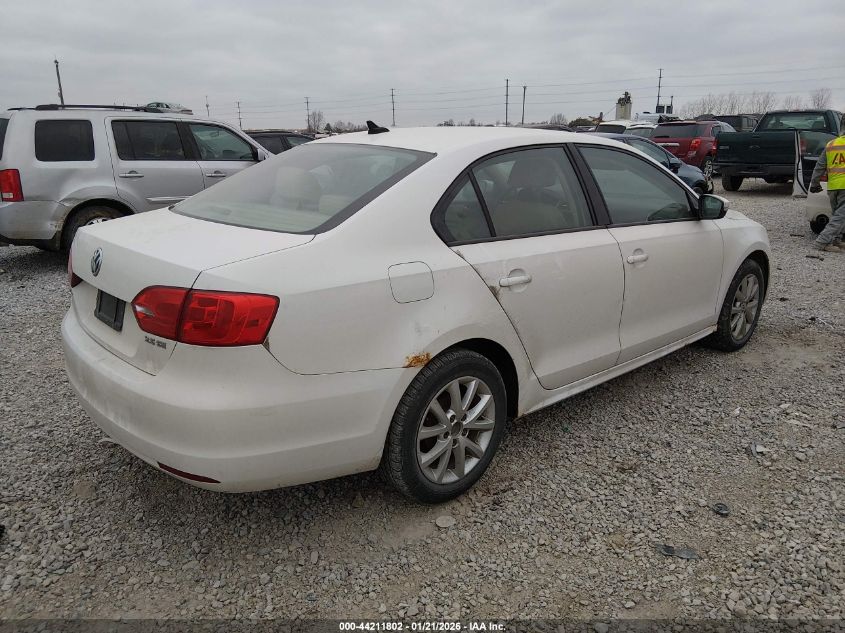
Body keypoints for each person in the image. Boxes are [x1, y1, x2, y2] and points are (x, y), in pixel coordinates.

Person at [810, 131, 845, 252]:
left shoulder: (831, 144)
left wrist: (815, 183)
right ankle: (821, 242)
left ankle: (836, 240)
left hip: (833, 187)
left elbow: (819, 166)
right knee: (840, 217)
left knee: (838, 216)